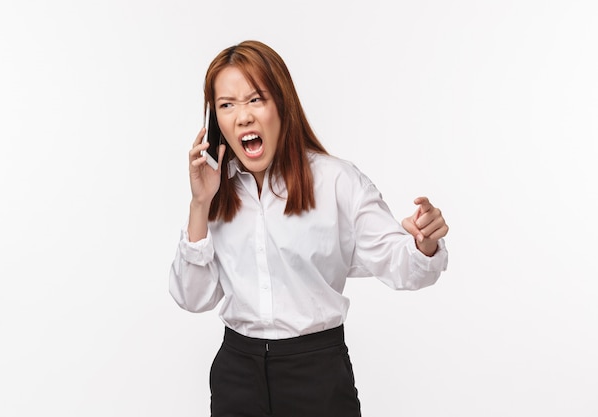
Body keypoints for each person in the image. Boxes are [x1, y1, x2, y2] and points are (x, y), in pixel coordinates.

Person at [169, 40, 449, 417]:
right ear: (214, 119)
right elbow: (193, 297)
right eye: (226, 105)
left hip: (316, 375)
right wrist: (200, 204)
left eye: (256, 99)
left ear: (282, 104)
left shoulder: (336, 182)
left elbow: (405, 267)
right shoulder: (217, 189)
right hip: (236, 374)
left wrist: (423, 242)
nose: (243, 116)